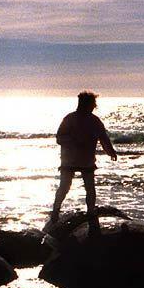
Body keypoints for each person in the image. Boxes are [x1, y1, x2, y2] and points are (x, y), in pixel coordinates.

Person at [49, 91, 117, 229]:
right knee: (66, 187)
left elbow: (103, 138)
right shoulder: (70, 119)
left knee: (89, 188)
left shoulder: (94, 120)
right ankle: (56, 211)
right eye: (92, 104)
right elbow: (59, 138)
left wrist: (110, 151)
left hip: (85, 160)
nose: (94, 106)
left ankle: (90, 211)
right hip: (70, 160)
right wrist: (74, 141)